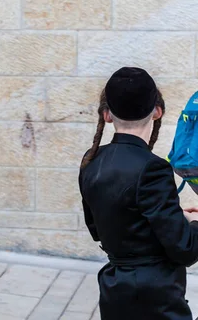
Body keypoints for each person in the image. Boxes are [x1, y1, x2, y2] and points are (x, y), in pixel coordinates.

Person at [79, 67, 198, 320]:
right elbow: (186, 249)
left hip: (114, 289)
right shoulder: (154, 168)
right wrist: (194, 223)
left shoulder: (91, 160)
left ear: (107, 114)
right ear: (157, 111)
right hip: (155, 297)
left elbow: (100, 229)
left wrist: (174, 215)